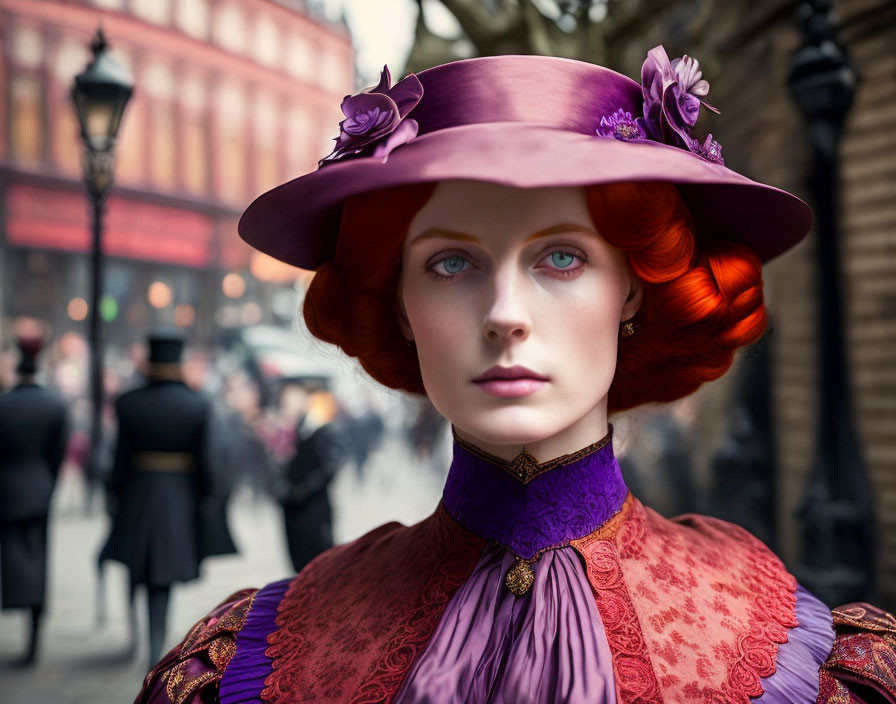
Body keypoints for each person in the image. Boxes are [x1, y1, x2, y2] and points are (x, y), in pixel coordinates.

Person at [137, 50, 896, 703]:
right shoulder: (263, 654)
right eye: (450, 262)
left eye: (561, 256)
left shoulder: (779, 645)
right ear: (401, 304)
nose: (505, 313)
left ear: (630, 289)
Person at [99, 330, 235, 668]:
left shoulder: (128, 402)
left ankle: (137, 636)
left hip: (136, 494)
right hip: (177, 499)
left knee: (134, 565)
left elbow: (119, 460)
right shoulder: (198, 404)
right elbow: (207, 462)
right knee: (162, 578)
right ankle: (153, 648)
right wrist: (208, 496)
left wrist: (114, 493)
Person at [0, 333, 68, 664]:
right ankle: (33, 637)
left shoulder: (4, 404)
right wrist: (48, 484)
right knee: (38, 564)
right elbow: (58, 455)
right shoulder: (55, 405)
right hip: (39, 492)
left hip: (6, 493)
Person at [275, 377, 348, 573]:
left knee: (319, 563)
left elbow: (329, 466)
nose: (287, 402)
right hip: (293, 507)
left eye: (292, 396)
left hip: (313, 508)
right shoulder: (292, 426)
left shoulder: (320, 426)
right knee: (299, 561)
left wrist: (302, 490)